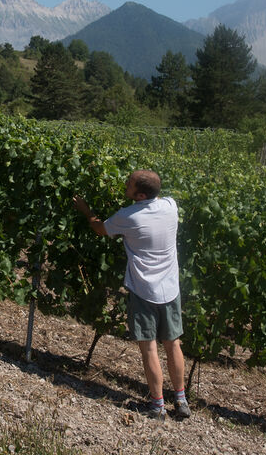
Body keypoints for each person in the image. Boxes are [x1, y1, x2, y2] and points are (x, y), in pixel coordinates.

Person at [73, 169, 191, 420]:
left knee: (149, 348)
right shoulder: (171, 206)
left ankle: (158, 406)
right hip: (170, 289)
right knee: (173, 344)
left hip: (143, 290)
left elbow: (100, 229)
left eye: (129, 183)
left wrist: (86, 210)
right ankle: (181, 401)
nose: (125, 184)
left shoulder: (129, 216)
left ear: (139, 194)